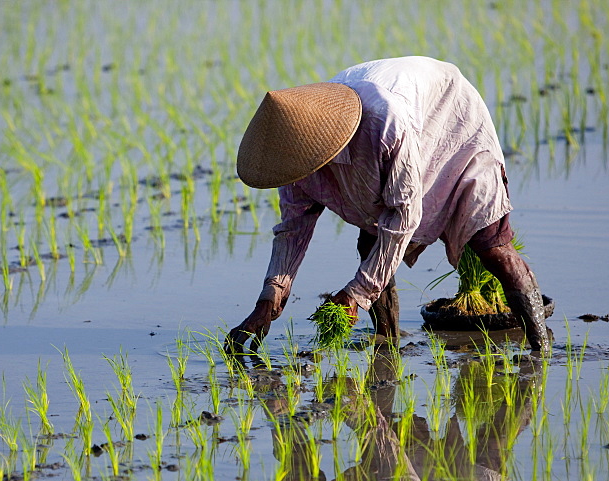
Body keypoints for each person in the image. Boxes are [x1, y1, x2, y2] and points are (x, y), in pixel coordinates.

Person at [225, 56, 549, 354]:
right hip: (399, 122)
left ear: (321, 147)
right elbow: (292, 229)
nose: (299, 177)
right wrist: (269, 300)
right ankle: (387, 345)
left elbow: (405, 214)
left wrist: (356, 294)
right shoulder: (292, 158)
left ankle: (540, 345)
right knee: (371, 240)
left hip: (448, 115)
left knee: (490, 244)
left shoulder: (384, 123)